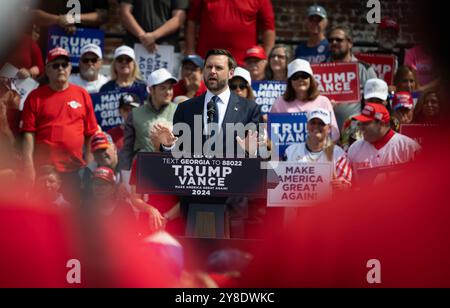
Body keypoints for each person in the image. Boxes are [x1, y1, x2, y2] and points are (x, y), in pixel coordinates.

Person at [21, 47, 98, 202]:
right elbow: (28, 133)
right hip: (44, 169)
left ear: (70, 68)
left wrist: (89, 164)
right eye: (55, 65)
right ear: (47, 70)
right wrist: (28, 165)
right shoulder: (35, 96)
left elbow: (91, 132)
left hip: (75, 169)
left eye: (64, 64)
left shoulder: (82, 94)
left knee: (73, 217)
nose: (61, 68)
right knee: (44, 216)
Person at [119, 68, 178, 171]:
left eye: (170, 88)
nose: (168, 92)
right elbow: (127, 149)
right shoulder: (135, 114)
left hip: (172, 171)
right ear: (151, 90)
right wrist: (124, 175)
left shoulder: (180, 110)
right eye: (163, 88)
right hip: (143, 172)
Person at [185, 0, 275, 65]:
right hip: (207, 61)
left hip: (243, 64)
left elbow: (268, 28)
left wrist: (266, 59)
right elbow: (191, 21)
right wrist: (190, 52)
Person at [270, 59, 339, 141]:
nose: (300, 79)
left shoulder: (324, 101)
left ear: (311, 79)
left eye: (304, 75)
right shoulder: (279, 102)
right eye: (295, 76)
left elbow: (334, 134)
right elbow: (271, 135)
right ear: (289, 81)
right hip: (286, 153)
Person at [285, 108, 352, 188]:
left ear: (329, 128)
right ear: (307, 126)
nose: (316, 126)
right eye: (313, 123)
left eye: (321, 123)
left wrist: (342, 186)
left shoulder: (339, 154)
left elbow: (346, 184)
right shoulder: (291, 150)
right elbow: (281, 181)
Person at [326, 25, 377, 129]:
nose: (334, 43)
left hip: (355, 133)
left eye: (339, 40)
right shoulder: (320, 69)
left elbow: (376, 103)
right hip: (325, 131)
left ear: (350, 43)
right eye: (331, 40)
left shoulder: (364, 69)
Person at [348, 103, 421, 172]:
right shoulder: (354, 149)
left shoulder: (409, 147)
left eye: (366, 123)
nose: (361, 127)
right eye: (360, 123)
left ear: (381, 124)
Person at [119, 0, 188, 53]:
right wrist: (144, 37)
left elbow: (179, 18)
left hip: (166, 49)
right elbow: (124, 13)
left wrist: (152, 36)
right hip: (134, 47)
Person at [340, 78, 388, 151]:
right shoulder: (351, 121)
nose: (374, 104)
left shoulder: (393, 122)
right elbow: (345, 150)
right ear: (364, 100)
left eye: (379, 101)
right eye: (371, 100)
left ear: (386, 101)